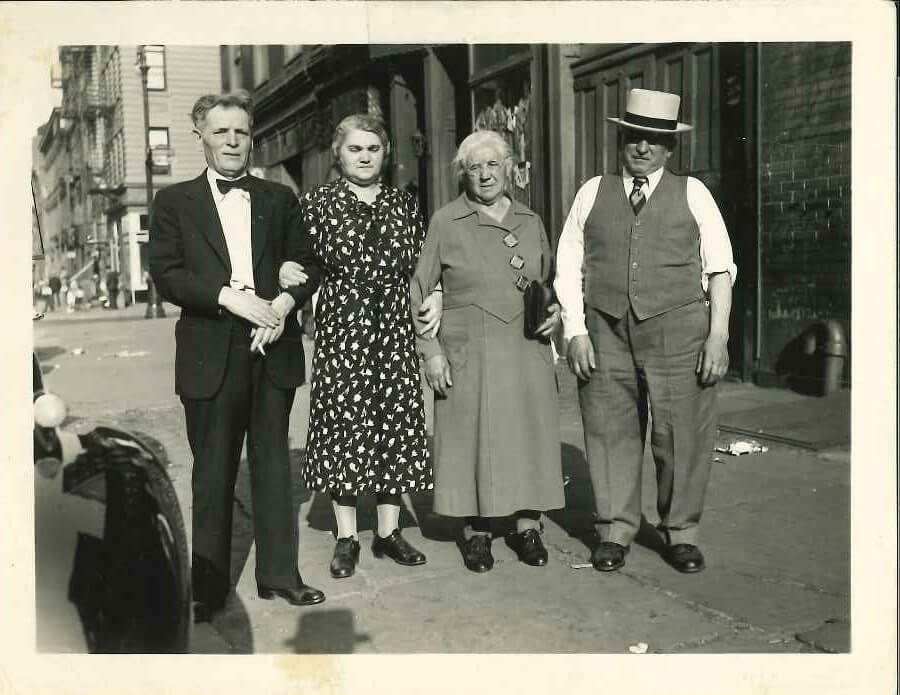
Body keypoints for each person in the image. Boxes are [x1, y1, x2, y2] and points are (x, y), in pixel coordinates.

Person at [148, 90, 325, 623]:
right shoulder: (174, 203)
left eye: (242, 132)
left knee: (273, 470)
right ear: (199, 135)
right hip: (211, 354)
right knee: (214, 473)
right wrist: (233, 300)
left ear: (252, 137)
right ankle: (208, 588)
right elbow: (169, 273)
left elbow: (308, 263)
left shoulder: (278, 199)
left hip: (272, 351)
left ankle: (279, 576)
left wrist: (282, 304)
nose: (232, 141)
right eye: (221, 131)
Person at [554, 88, 736, 574]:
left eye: (654, 140)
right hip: (605, 328)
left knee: (680, 434)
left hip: (679, 331)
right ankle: (614, 529)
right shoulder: (592, 192)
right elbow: (567, 265)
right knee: (609, 429)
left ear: (669, 148)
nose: (642, 148)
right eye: (635, 136)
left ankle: (681, 532)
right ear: (622, 138)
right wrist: (576, 330)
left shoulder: (693, 193)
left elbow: (720, 268)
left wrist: (717, 336)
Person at [278, 114, 441, 580]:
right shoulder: (316, 206)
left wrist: (437, 295)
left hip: (393, 327)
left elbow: (424, 267)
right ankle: (347, 535)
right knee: (345, 426)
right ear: (338, 153)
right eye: (355, 149)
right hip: (343, 330)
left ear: (385, 153)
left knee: (396, 423)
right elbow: (298, 261)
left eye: (373, 148)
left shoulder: (405, 206)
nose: (365, 156)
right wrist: (287, 273)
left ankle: (389, 532)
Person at [410, 130, 565, 573]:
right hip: (467, 351)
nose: (484, 175)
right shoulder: (446, 222)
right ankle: (477, 534)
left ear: (509, 168)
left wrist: (555, 313)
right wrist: (431, 352)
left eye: (493, 164)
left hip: (525, 349)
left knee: (527, 435)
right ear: (464, 173)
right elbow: (419, 288)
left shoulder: (531, 221)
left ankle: (527, 526)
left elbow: (546, 282)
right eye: (474, 167)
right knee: (471, 439)